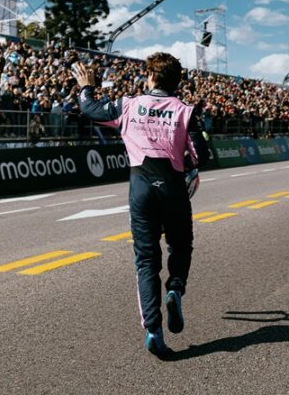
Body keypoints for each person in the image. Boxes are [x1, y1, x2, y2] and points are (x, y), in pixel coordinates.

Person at [73, 53, 206, 356]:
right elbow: (202, 154)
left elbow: (89, 109)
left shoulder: (129, 104)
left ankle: (154, 331)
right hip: (172, 186)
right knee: (181, 246)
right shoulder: (186, 111)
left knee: (146, 260)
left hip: (141, 187)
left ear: (151, 78)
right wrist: (187, 165)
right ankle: (175, 288)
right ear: (175, 81)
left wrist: (87, 87)